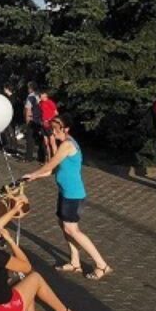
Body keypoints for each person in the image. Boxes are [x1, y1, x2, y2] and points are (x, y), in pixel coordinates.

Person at [24, 115, 113, 279]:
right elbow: (54, 169)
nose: (53, 132)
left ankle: (101, 264)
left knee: (72, 229)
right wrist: (34, 177)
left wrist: (35, 172)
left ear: (66, 129)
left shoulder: (67, 145)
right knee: (63, 225)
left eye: (56, 129)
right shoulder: (64, 143)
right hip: (65, 193)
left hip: (73, 195)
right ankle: (75, 262)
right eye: (52, 128)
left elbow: (50, 164)